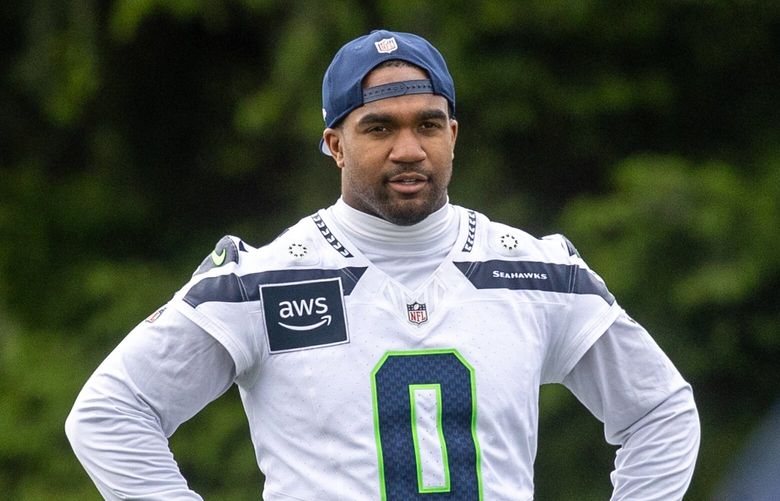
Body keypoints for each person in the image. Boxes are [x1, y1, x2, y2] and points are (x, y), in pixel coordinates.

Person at [66, 29, 700, 500]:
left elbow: (659, 411)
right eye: (378, 128)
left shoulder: (535, 270)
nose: (408, 149)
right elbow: (110, 414)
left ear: (454, 133)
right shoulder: (263, 280)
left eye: (428, 124)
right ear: (335, 145)